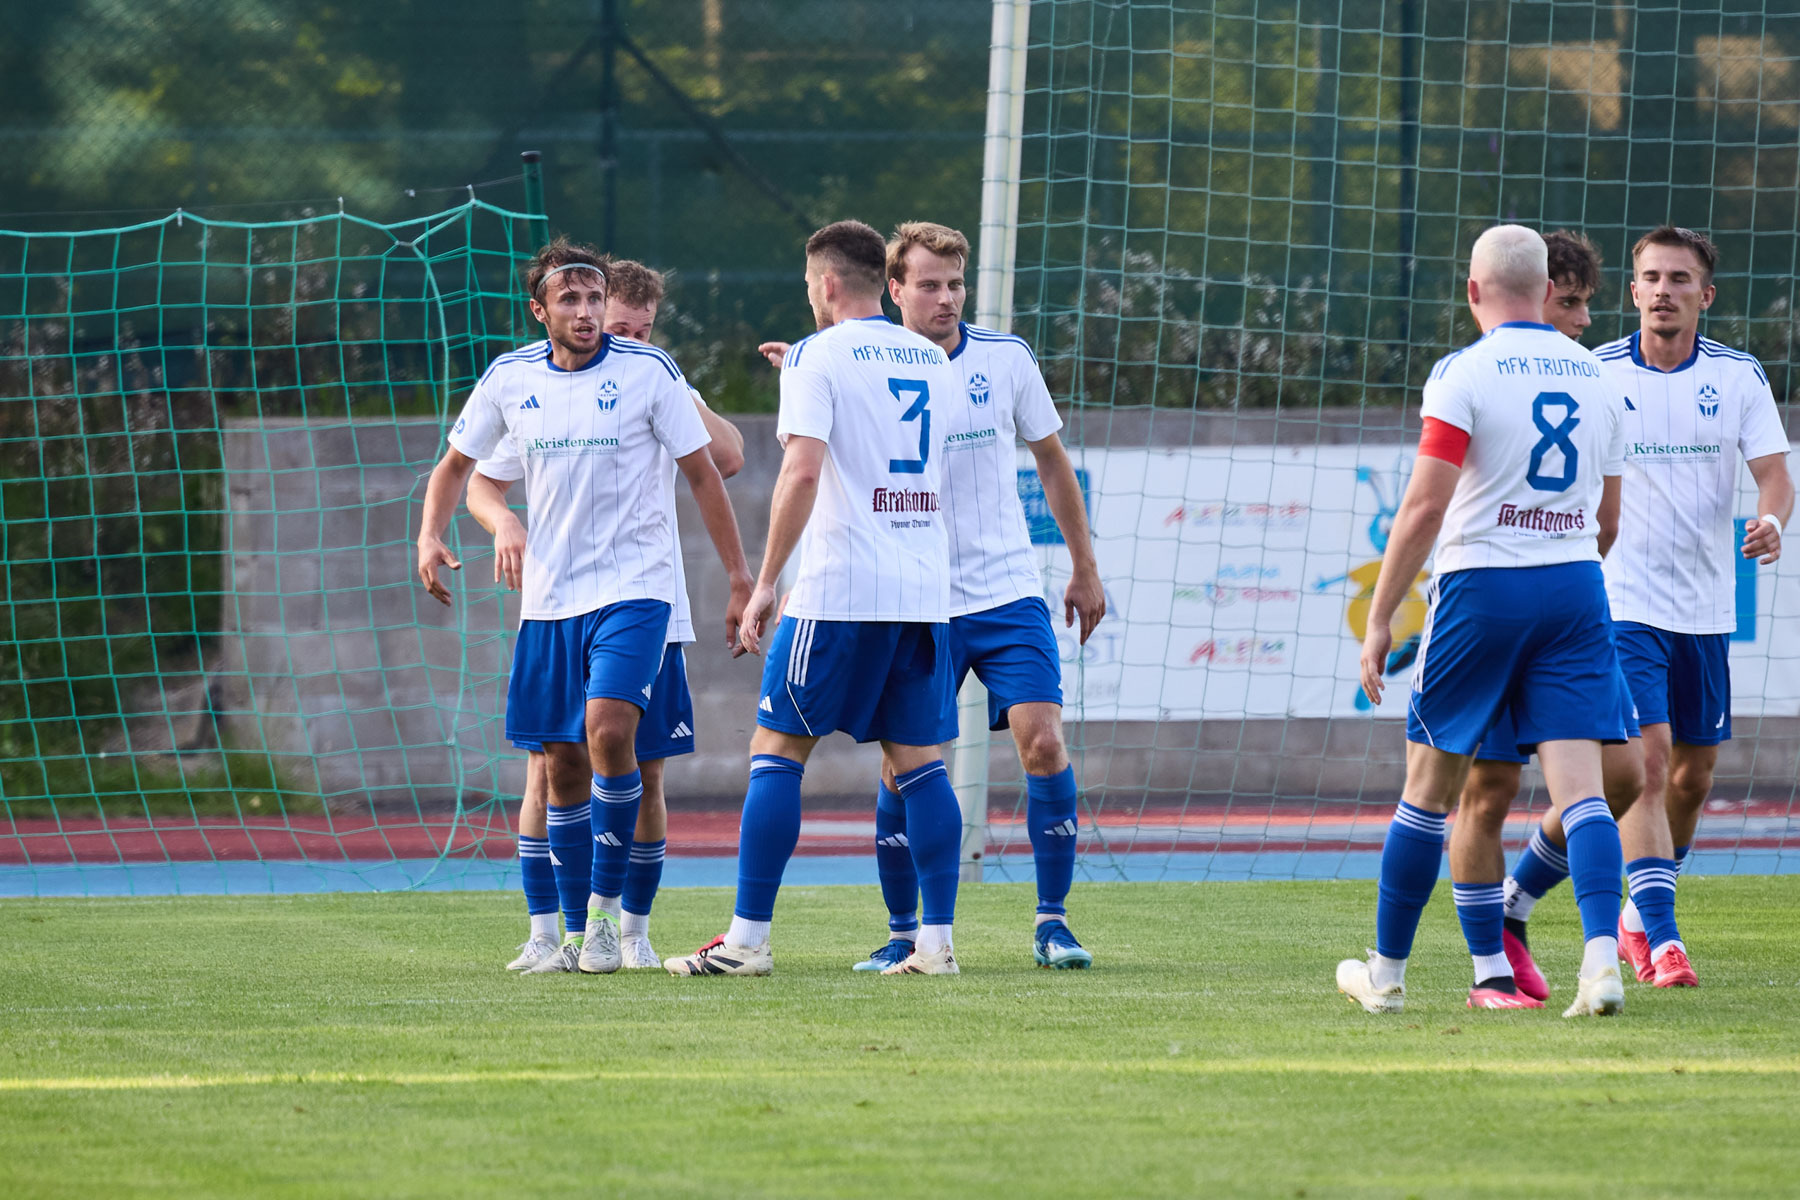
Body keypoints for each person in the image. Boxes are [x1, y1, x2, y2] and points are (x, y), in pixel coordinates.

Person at [761, 221, 1106, 970]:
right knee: (907, 763)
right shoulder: (870, 361)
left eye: (955, 285)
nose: (946, 298)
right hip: (921, 597)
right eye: (928, 285)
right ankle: (903, 931)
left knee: (1043, 739)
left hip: (1007, 589)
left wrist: (1084, 565)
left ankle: (1053, 923)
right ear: (893, 289)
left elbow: (1052, 461)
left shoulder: (1005, 359)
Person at [416, 237, 752, 975]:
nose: (587, 311)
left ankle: (612, 923)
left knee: (612, 734)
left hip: (638, 592)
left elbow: (712, 469)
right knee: (560, 764)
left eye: (595, 298)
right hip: (550, 602)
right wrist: (436, 533)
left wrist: (738, 577)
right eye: (570, 298)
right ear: (540, 310)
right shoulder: (511, 379)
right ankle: (563, 933)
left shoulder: (650, 372)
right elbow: (459, 469)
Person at [1336, 224, 1631, 1018]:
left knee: (1428, 792)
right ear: (1547, 290)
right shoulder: (1601, 376)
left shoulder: (1463, 371)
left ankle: (1386, 978)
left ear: (1473, 291)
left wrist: (1381, 620)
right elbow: (1608, 521)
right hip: (1575, 585)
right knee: (1584, 794)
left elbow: (1424, 506)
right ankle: (1601, 965)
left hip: (1482, 587)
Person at [664, 219, 967, 977]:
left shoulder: (817, 356)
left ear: (826, 283)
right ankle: (936, 945)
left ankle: (747, 941)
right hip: (920, 591)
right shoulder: (932, 358)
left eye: (809, 285)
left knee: (776, 752)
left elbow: (802, 471)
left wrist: (766, 581)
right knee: (920, 764)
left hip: (838, 589)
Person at [1446, 230, 1645, 1004]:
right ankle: (1488, 967)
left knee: (1624, 777)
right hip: (1493, 600)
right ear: (1533, 297)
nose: (1585, 317)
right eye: (1572, 301)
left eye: (1589, 302)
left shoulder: (1592, 382)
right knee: (1489, 787)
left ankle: (1516, 902)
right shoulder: (1476, 375)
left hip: (1567, 605)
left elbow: (1605, 520)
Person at [1594, 226, 1792, 986]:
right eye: (1652, 277)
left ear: (1704, 296)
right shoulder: (1596, 372)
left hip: (1706, 608)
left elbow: (1775, 477)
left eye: (1680, 279)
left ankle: (1636, 914)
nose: (1664, 291)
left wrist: (1771, 521)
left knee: (1693, 776)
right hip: (1622, 601)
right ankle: (1665, 939)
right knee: (1647, 765)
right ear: (1633, 292)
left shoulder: (1738, 376)